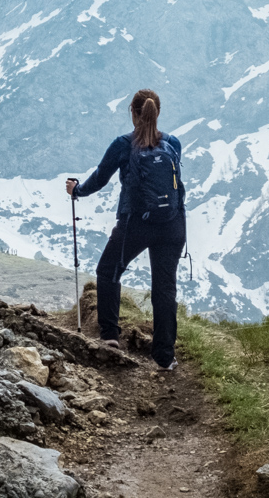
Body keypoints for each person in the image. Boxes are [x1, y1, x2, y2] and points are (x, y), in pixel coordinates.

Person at [65, 88, 187, 371]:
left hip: (136, 224)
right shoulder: (174, 143)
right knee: (165, 288)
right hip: (172, 225)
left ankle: (109, 337)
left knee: (108, 271)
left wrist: (77, 191)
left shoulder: (123, 144)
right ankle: (165, 358)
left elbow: (100, 178)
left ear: (133, 113)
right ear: (157, 112)